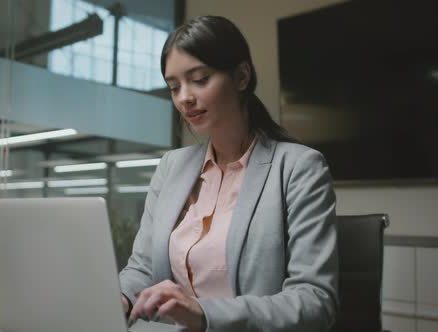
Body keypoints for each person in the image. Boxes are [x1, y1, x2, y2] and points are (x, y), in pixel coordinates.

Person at [118, 15, 339, 332]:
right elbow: (142, 268)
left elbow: (316, 301)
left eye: (200, 79)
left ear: (241, 77)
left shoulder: (299, 168)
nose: (184, 98)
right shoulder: (172, 166)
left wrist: (203, 313)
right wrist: (120, 297)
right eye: (174, 86)